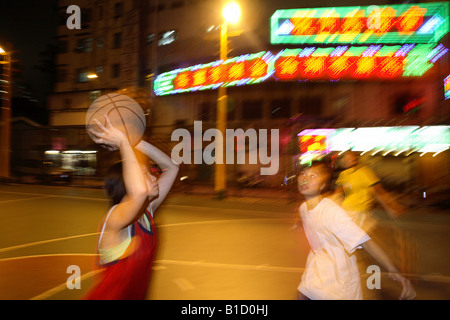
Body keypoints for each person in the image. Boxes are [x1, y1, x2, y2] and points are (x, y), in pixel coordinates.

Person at [82, 115, 179, 300]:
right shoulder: (114, 219)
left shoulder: (147, 212)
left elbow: (172, 167)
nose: (153, 176)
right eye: (145, 174)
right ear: (128, 183)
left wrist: (137, 142)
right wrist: (124, 143)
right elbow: (140, 191)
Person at [293, 160, 415, 300]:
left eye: (313, 176)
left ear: (323, 185)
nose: (305, 178)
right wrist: (298, 223)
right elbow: (307, 216)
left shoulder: (330, 212)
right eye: (303, 173)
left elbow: (365, 241)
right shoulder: (304, 208)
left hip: (337, 282)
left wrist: (392, 269)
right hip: (315, 274)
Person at [335, 151, 406, 232]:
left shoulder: (365, 172)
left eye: (348, 157)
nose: (345, 160)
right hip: (346, 210)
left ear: (355, 158)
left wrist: (390, 207)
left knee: (361, 238)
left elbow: (378, 192)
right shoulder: (344, 174)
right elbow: (337, 193)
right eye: (344, 158)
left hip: (360, 212)